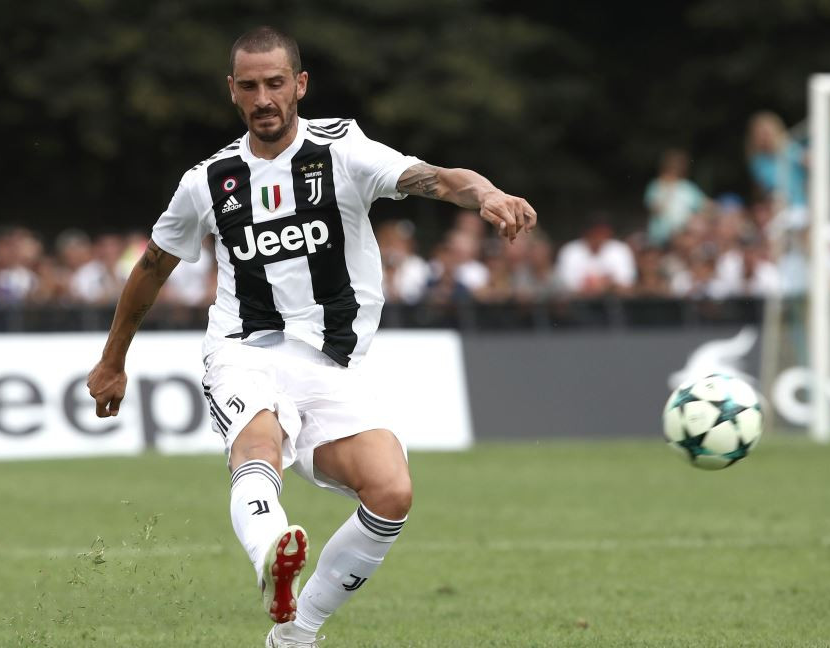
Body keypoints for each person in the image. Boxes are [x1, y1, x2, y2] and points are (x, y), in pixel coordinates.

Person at [86, 26, 536, 648]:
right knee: (259, 442)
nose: (264, 97)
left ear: (300, 85)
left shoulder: (343, 150)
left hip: (329, 363)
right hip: (243, 347)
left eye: (276, 83)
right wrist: (112, 361)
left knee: (391, 491)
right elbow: (152, 266)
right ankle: (275, 553)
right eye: (250, 86)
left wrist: (486, 193)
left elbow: (432, 177)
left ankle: (297, 633)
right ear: (233, 93)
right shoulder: (209, 180)